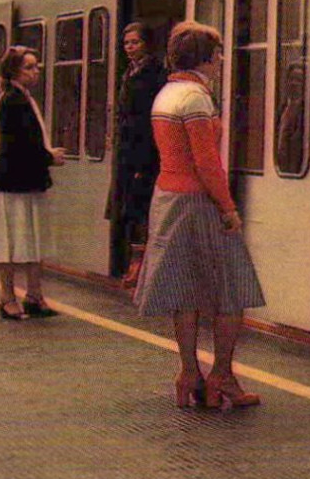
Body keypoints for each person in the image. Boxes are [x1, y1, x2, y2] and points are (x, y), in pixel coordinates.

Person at [132, 22, 266, 411]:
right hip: (198, 203)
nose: (222, 59)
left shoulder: (166, 94)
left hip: (168, 199)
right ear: (205, 58)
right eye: (218, 53)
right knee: (232, 288)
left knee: (184, 290)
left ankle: (189, 373)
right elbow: (207, 164)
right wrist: (228, 208)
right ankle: (222, 373)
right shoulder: (196, 99)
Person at [0, 47, 66, 320]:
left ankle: (33, 295)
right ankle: (7, 297)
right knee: (11, 241)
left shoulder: (20, 98)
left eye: (36, 66)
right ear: (13, 72)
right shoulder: (12, 100)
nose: (36, 71)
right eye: (29, 67)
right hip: (15, 184)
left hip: (24, 181)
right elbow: (17, 144)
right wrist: (49, 157)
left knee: (30, 238)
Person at [107, 23, 167, 286]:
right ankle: (134, 264)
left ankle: (139, 266)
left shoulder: (154, 74)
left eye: (135, 42)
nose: (130, 48)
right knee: (130, 209)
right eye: (127, 43)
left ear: (147, 44)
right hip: (127, 151)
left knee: (140, 208)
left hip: (144, 152)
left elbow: (145, 117)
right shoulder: (129, 72)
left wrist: (144, 156)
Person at [273, 62, 308, 174]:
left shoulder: (305, 113)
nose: (294, 83)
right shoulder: (280, 109)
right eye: (291, 79)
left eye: (298, 80)